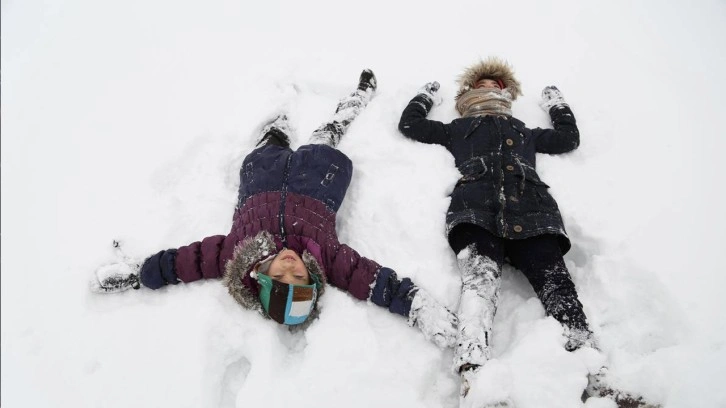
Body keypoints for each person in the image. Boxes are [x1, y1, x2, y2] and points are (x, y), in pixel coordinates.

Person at [91, 70, 459, 350]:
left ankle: (277, 128)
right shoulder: (327, 258)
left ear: (263, 278)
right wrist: (415, 304)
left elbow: (184, 262)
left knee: (269, 143)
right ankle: (358, 98)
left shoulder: (233, 254)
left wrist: (141, 273)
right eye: (300, 278)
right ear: (312, 278)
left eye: (281, 278)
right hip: (316, 176)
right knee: (328, 132)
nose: (290, 267)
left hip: (263, 174)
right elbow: (373, 280)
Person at [398, 57, 646, 407]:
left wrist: (557, 105)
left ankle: (598, 378)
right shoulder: (456, 128)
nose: (491, 88)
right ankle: (474, 376)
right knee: (479, 288)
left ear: (507, 93)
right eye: (483, 84)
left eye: (497, 85)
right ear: (469, 92)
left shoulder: (523, 130)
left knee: (559, 289)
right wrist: (424, 95)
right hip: (476, 213)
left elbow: (567, 139)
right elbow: (410, 125)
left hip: (533, 215)